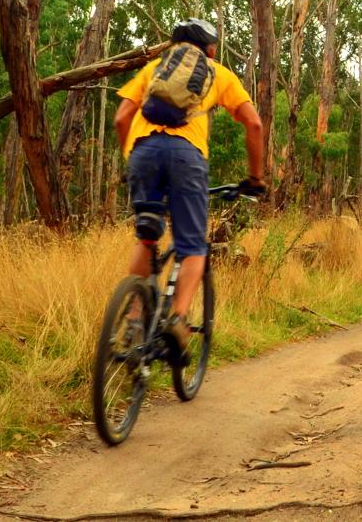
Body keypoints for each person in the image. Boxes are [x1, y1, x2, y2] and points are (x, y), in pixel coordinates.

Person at [113, 18, 266, 353]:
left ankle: (134, 320)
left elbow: (122, 118)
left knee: (147, 234)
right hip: (186, 158)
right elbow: (253, 124)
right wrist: (255, 179)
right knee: (194, 246)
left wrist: (132, 161)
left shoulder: (154, 69)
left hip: (143, 153)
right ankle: (178, 320)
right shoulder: (218, 73)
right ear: (210, 48)